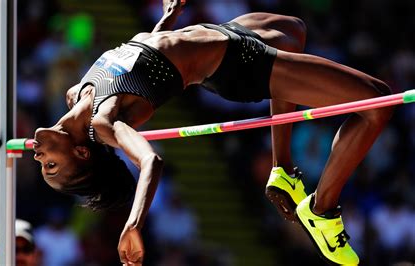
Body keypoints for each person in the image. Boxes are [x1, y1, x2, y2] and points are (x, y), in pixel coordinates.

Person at [32, 1, 393, 265]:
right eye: (50, 166)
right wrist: (134, 223)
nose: (38, 157)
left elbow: (136, 61)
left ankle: (282, 169)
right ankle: (322, 210)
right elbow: (149, 160)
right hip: (239, 66)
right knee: (378, 102)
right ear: (81, 153)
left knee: (293, 28)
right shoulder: (103, 123)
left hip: (222, 37)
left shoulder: (76, 93)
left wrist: (166, 20)